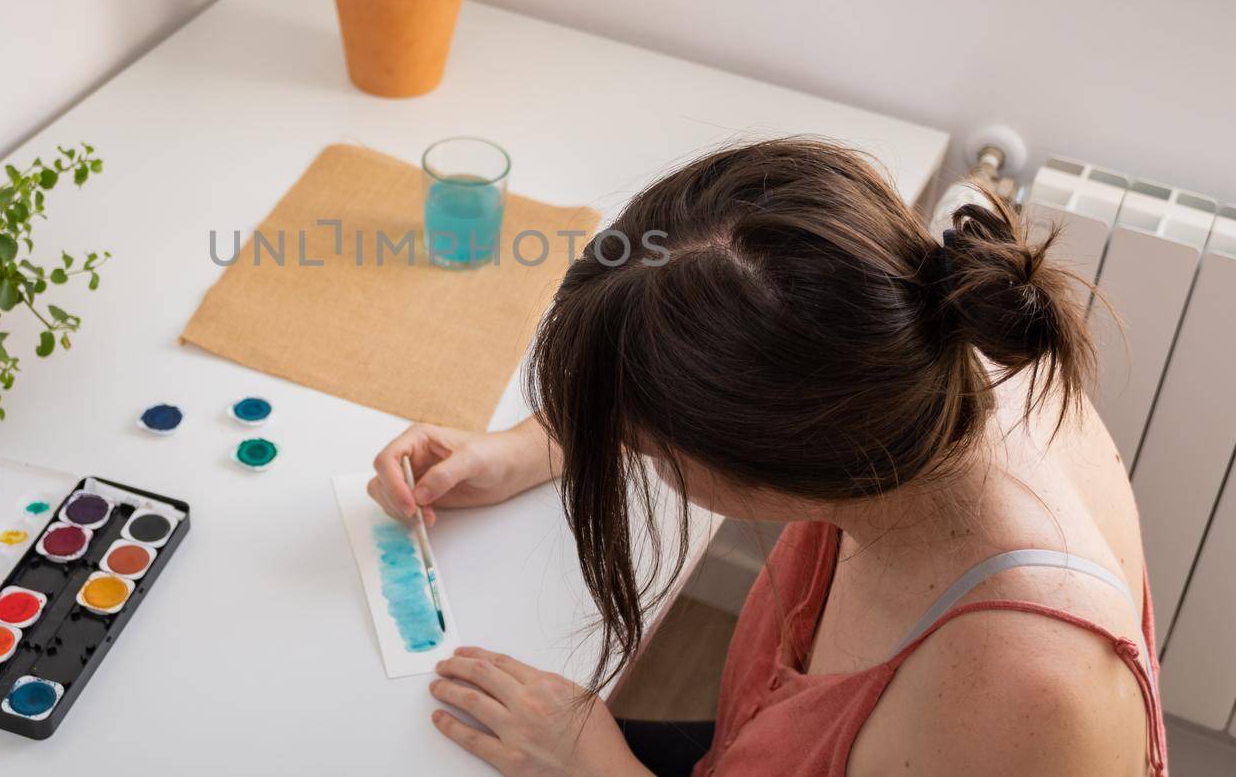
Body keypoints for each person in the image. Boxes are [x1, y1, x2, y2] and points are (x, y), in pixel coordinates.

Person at [367, 139, 1167, 777]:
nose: (627, 448)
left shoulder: (1026, 703)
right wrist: (516, 450)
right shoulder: (928, 344)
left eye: (644, 443)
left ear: (777, 454)